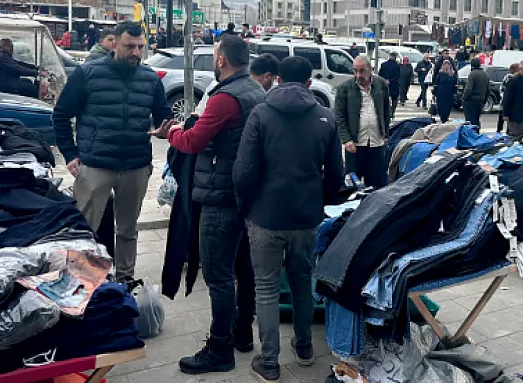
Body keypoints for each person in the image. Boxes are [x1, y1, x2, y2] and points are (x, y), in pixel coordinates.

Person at [149, 36, 266, 374]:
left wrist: (169, 134)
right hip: (244, 194)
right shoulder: (256, 91)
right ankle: (241, 335)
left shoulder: (224, 97)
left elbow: (193, 141)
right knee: (242, 269)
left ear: (221, 61)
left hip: (220, 196)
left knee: (218, 275)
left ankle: (219, 349)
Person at [233, 56, 343, 379]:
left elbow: (243, 171)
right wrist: (318, 201)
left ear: (278, 79)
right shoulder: (325, 117)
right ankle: (305, 347)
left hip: (265, 217)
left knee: (265, 288)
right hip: (306, 218)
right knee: (301, 281)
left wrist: (246, 206)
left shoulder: (261, 115)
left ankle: (269, 363)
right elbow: (336, 175)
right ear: (309, 83)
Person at [52, 21, 172, 282]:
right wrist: (71, 154)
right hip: (96, 165)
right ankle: (81, 283)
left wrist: (166, 129)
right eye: (130, 46)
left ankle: (126, 279)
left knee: (128, 229)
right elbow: (61, 115)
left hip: (136, 165)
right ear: (114, 43)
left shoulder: (150, 78)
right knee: (85, 229)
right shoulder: (88, 73)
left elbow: (164, 115)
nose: (136, 52)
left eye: (140, 47)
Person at [334, 54, 390, 189]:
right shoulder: (345, 88)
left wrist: (386, 133)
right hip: (355, 145)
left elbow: (386, 111)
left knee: (377, 183)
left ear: (371, 69)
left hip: (376, 143)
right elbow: (339, 116)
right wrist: (346, 139)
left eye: (362, 70)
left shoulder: (381, 84)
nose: (358, 75)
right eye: (355, 71)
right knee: (353, 184)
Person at [502, 61, 523, 141]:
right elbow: (507, 98)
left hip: (521, 113)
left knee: (520, 133)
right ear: (521, 69)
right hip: (514, 113)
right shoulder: (514, 81)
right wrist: (506, 113)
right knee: (518, 133)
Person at [462, 57, 488, 128]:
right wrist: (484, 100)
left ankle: (472, 135)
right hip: (480, 100)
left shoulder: (472, 74)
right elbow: (487, 89)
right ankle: (477, 133)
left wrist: (464, 98)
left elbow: (469, 89)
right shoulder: (485, 74)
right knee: (476, 119)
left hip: (471, 100)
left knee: (470, 120)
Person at [496, 63, 520, 133]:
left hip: (504, 101)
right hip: (506, 101)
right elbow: (503, 89)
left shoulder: (510, 77)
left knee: (502, 118)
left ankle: (500, 131)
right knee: (505, 117)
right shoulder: (509, 77)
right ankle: (505, 131)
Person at [379, 51, 401, 117]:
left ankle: (385, 111)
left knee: (384, 98)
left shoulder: (383, 64)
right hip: (394, 84)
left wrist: (385, 80)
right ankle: (392, 112)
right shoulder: (397, 65)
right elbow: (398, 76)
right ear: (395, 57)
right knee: (394, 99)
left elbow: (380, 74)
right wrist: (390, 80)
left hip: (384, 83)